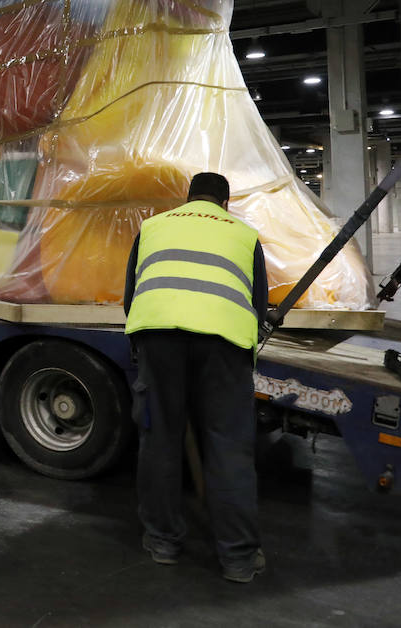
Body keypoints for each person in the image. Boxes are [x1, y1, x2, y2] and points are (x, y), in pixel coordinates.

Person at [123, 171, 269, 583]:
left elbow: (130, 296)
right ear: (225, 204)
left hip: (158, 337)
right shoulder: (244, 234)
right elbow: (258, 306)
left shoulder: (153, 225)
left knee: (161, 441)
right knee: (228, 447)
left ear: (187, 199)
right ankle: (238, 559)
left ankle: (164, 542)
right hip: (224, 343)